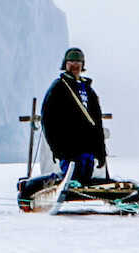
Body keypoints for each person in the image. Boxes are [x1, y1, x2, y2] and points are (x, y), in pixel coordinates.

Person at [40, 47, 106, 184]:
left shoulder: (88, 90)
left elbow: (97, 124)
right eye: (71, 62)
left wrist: (101, 153)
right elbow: (47, 120)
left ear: (83, 65)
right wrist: (57, 149)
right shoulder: (58, 88)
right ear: (65, 64)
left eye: (78, 62)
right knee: (71, 183)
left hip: (87, 150)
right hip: (68, 150)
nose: (75, 65)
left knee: (84, 184)